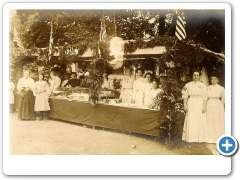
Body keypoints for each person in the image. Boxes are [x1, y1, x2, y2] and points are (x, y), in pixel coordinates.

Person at [181, 70, 207, 143]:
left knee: (199, 118)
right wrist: (185, 105)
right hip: (191, 102)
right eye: (194, 75)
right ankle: (191, 138)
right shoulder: (187, 85)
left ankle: (200, 138)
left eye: (197, 75)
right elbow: (185, 96)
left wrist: (204, 106)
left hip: (200, 102)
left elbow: (205, 96)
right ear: (192, 76)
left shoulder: (203, 85)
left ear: (199, 76)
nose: (196, 76)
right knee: (191, 118)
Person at [206, 74, 225, 143]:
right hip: (209, 103)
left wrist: (221, 107)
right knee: (209, 119)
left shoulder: (221, 88)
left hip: (217, 104)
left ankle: (217, 137)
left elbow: (223, 98)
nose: (213, 80)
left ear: (218, 80)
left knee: (216, 119)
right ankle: (209, 137)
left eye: (215, 79)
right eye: (212, 79)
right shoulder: (207, 87)